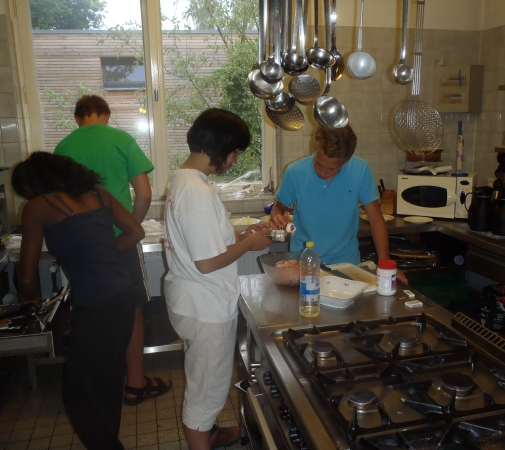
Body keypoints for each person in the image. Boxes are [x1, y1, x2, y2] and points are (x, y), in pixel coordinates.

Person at [13, 152, 145, 449]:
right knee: (107, 380)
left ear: (34, 183)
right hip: (124, 295)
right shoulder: (97, 192)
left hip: (97, 305)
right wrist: (105, 256)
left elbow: (26, 274)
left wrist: (30, 301)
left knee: (79, 394)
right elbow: (136, 231)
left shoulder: (37, 206)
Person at [164, 108, 273, 450]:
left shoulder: (186, 179)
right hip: (205, 304)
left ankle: (210, 432)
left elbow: (205, 236)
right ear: (223, 148)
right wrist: (251, 244)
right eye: (236, 151)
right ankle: (202, 437)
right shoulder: (197, 192)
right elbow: (207, 262)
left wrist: (242, 232)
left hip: (195, 300)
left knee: (204, 380)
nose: (235, 159)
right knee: (205, 391)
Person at [54, 94, 171, 405]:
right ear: (106, 114)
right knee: (132, 310)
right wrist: (130, 226)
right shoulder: (121, 139)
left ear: (78, 118)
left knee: (91, 313)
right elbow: (144, 194)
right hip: (119, 242)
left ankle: (99, 386)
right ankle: (135, 384)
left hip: (81, 247)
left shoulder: (63, 148)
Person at [271, 125, 408, 284]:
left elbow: (376, 218)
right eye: (319, 164)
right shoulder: (295, 171)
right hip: (303, 266)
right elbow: (278, 208)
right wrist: (278, 217)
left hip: (347, 266)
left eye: (331, 168)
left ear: (346, 161)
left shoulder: (360, 170)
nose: (323, 173)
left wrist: (385, 264)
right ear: (314, 149)